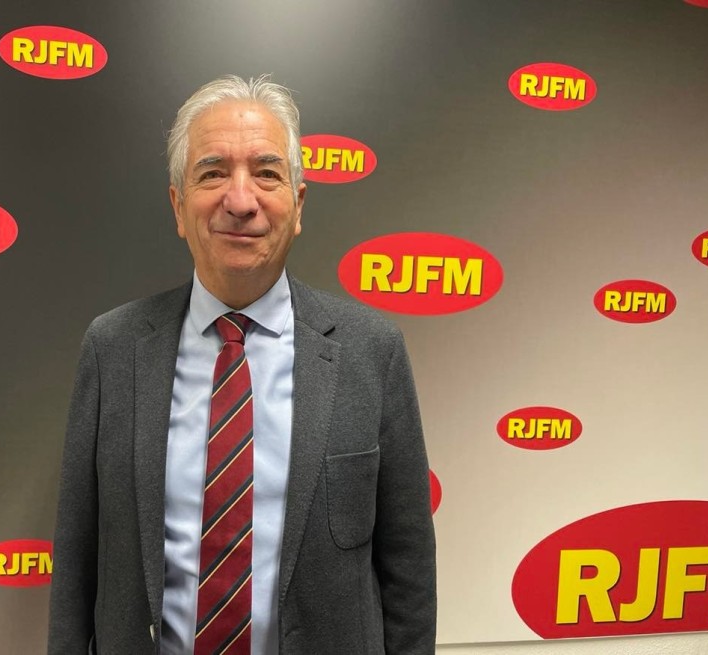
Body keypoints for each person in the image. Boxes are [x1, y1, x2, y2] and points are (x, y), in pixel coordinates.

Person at [48, 74, 436, 655]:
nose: (240, 200)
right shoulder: (113, 348)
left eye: (266, 173)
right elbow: (78, 560)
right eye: (212, 173)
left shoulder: (370, 350)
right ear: (178, 206)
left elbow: (408, 567)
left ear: (298, 205)